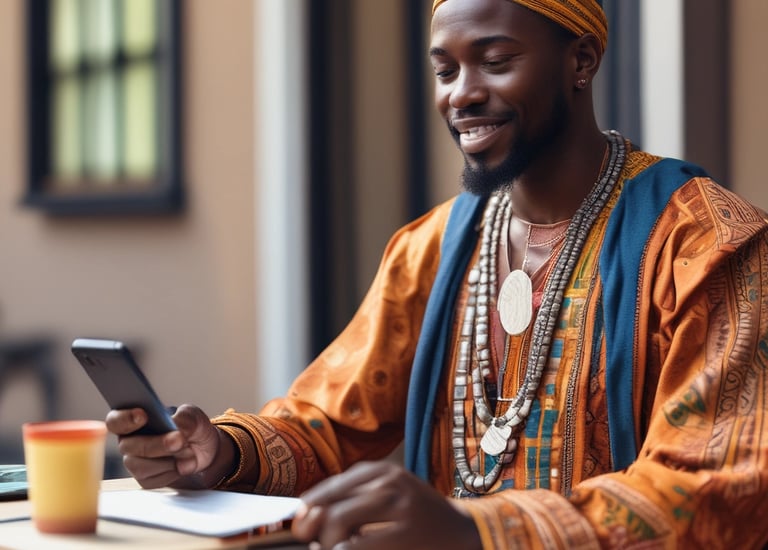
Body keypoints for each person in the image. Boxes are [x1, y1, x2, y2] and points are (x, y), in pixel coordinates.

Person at [106, 0, 768, 548]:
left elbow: (714, 487)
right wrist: (221, 453)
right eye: (445, 70)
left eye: (496, 62)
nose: (462, 94)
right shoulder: (431, 247)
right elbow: (330, 422)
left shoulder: (708, 243)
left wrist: (474, 529)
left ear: (582, 61)